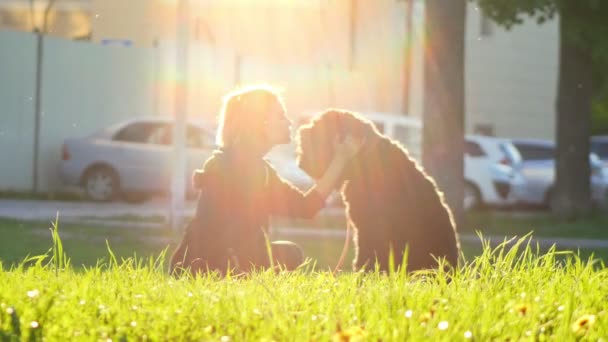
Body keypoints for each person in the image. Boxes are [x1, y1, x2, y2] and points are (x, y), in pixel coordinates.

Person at [170, 85, 363, 275]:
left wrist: (341, 159)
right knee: (288, 254)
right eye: (281, 116)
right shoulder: (244, 166)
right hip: (211, 266)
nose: (288, 122)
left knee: (289, 253)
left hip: (201, 263)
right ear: (261, 122)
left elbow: (306, 207)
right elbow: (220, 233)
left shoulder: (252, 165)